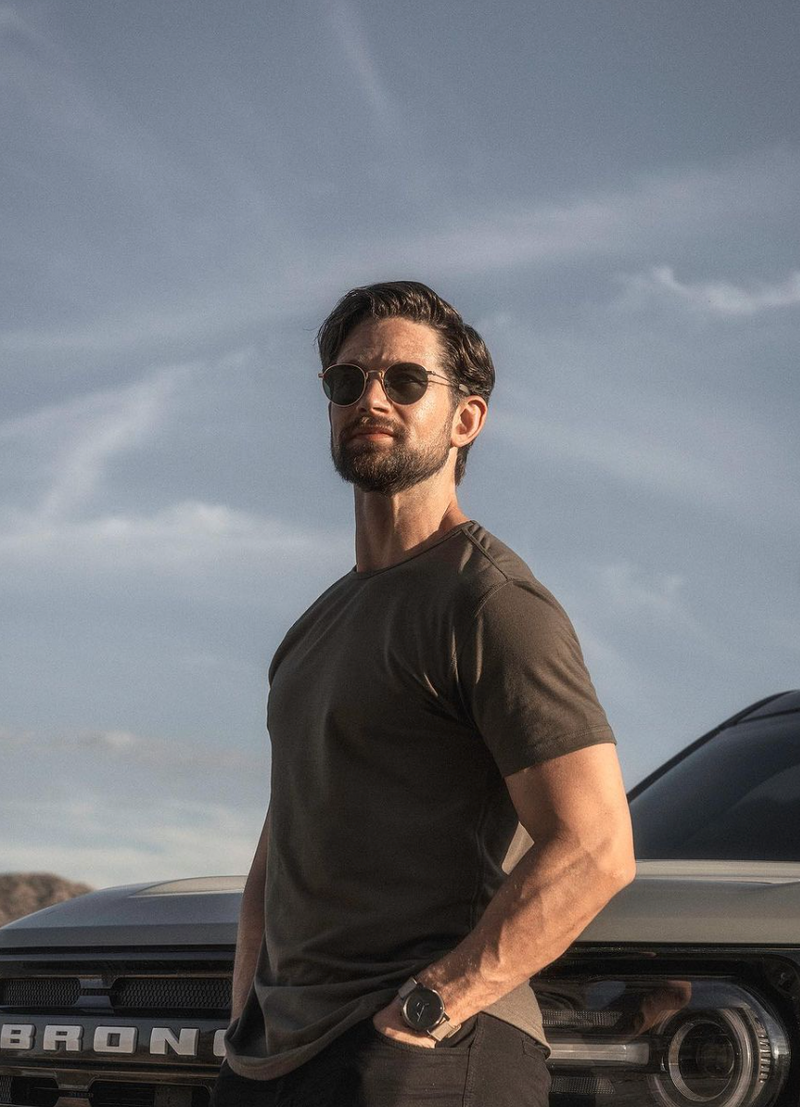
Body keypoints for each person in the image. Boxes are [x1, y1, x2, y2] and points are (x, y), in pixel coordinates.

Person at [210, 281, 635, 1106]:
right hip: (273, 1063)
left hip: (424, 1057)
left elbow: (595, 845)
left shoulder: (490, 601)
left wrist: (426, 1010)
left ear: (465, 419)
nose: (370, 396)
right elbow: (283, 844)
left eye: (405, 381)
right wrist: (244, 1021)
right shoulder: (309, 631)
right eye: (347, 381)